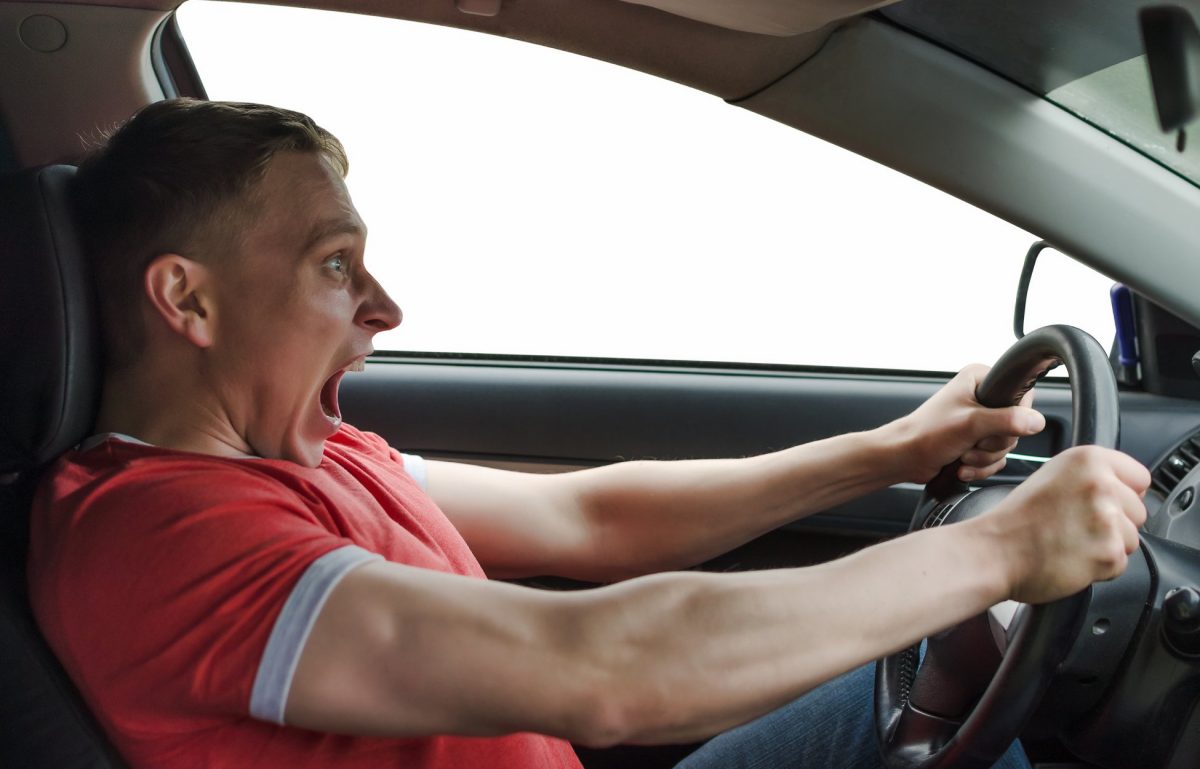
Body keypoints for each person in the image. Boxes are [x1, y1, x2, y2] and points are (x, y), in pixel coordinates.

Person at [27, 99, 1149, 769]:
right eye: (334, 265)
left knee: (900, 689)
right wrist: (994, 552)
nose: (385, 307)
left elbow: (590, 515)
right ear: (189, 300)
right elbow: (606, 668)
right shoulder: (160, 538)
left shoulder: (309, 456)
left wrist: (895, 449)